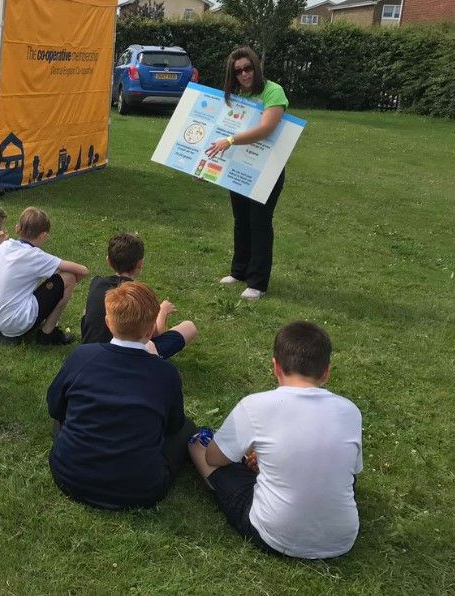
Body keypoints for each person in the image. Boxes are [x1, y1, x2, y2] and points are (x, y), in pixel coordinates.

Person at [188, 321, 363, 559]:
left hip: (274, 536)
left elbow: (214, 458)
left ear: (275, 367)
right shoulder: (350, 410)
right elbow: (352, 471)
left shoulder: (254, 406)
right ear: (326, 372)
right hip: (343, 539)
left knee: (199, 444)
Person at [47, 281, 196, 510]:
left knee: (63, 417)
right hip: (140, 489)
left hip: (70, 475)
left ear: (108, 322)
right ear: (150, 330)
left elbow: (55, 406)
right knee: (187, 427)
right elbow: (172, 425)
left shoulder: (82, 356)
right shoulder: (165, 373)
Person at [206, 46, 290, 301]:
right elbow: (218, 128)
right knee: (241, 221)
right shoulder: (236, 95)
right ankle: (239, 271)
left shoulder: (273, 91)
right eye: (238, 71)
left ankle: (257, 282)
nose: (244, 74)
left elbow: (266, 129)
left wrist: (230, 140)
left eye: (248, 68)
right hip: (240, 167)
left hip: (266, 170)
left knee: (260, 224)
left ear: (256, 66)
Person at [80, 232, 197, 358]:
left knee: (86, 311)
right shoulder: (140, 294)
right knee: (189, 327)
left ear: (108, 260)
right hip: (127, 356)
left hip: (92, 350)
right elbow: (153, 334)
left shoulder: (96, 283)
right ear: (140, 264)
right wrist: (163, 311)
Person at [0, 207, 89, 345]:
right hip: (14, 323)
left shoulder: (3, 246)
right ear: (43, 235)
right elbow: (83, 271)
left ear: (17, 228)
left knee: (60, 277)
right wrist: (62, 288)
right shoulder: (35, 255)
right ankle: (48, 333)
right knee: (69, 277)